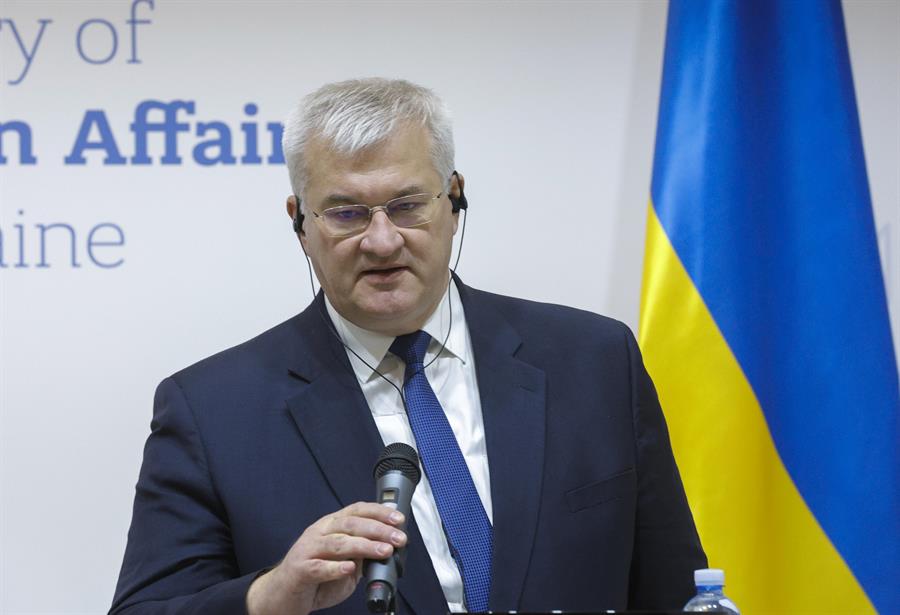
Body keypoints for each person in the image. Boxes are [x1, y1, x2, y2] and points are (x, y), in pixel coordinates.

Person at [111, 78, 706, 615]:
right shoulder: (213, 410)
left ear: (454, 199)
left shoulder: (594, 361)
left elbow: (677, 591)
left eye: (407, 205)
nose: (381, 239)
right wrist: (268, 596)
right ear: (299, 222)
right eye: (345, 213)